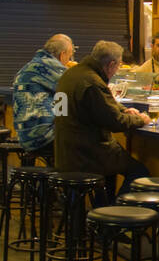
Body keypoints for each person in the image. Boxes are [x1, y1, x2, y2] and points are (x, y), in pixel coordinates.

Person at [54, 40, 150, 198]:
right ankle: (115, 213)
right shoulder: (92, 82)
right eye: (118, 66)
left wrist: (125, 110)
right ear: (112, 64)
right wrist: (141, 120)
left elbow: (95, 106)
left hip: (65, 152)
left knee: (110, 170)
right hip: (86, 155)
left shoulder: (69, 75)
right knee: (139, 172)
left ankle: (100, 211)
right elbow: (115, 122)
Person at [13, 34, 74, 163]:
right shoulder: (53, 68)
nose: (69, 60)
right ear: (62, 54)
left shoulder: (31, 65)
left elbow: (61, 102)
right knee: (89, 144)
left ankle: (55, 180)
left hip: (25, 136)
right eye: (70, 55)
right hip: (41, 138)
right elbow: (76, 91)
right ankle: (67, 180)